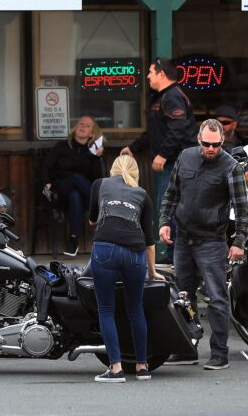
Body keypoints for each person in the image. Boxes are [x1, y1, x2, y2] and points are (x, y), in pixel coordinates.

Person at [158, 119, 248, 370]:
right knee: (184, 297)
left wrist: (239, 241)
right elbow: (171, 193)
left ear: (222, 141)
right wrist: (164, 221)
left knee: (217, 298)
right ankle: (188, 348)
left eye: (216, 144)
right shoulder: (185, 157)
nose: (211, 149)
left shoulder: (231, 167)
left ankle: (220, 353)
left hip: (212, 240)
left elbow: (242, 208)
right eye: (207, 144)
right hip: (183, 238)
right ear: (199, 139)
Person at [87, 155, 161, 383]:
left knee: (106, 310)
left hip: (105, 248)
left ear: (113, 169)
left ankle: (116, 368)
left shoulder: (100, 184)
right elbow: (149, 240)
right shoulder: (143, 195)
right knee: (135, 309)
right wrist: (152, 271)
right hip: (135, 253)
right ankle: (142, 367)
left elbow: (92, 220)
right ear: (136, 173)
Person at [120, 57, 196, 263]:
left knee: (169, 208)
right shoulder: (161, 97)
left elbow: (177, 129)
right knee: (167, 208)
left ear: (162, 74)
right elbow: (156, 132)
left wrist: (163, 154)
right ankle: (173, 256)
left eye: (151, 72)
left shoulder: (172, 96)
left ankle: (175, 258)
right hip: (170, 164)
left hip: (177, 164)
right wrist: (133, 148)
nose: (147, 76)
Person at [42, 115, 105, 256]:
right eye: (81, 123)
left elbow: (98, 178)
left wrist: (96, 157)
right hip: (59, 190)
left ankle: (73, 240)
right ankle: (101, 205)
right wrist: (46, 182)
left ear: (92, 133)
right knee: (75, 178)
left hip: (81, 196)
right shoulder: (62, 146)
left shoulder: (92, 152)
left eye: (87, 126)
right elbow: (45, 167)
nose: (83, 127)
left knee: (75, 195)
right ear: (76, 127)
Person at [211, 105, 248, 186]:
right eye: (217, 122)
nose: (220, 126)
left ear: (234, 124)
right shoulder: (207, 146)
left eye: (225, 122)